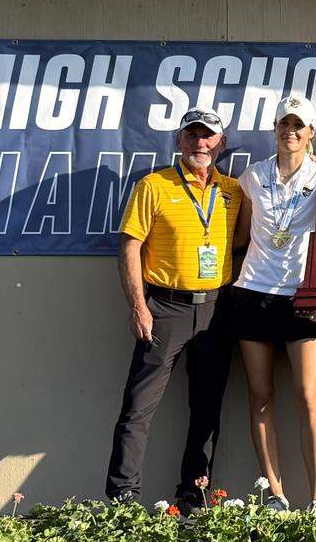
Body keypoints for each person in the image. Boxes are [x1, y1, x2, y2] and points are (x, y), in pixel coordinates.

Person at [105, 107, 242, 513]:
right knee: (139, 407)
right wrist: (137, 306)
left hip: (216, 310)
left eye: (208, 136)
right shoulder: (153, 185)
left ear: (220, 143)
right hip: (164, 307)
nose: (200, 143)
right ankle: (123, 500)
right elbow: (129, 245)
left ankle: (193, 495)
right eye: (192, 135)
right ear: (180, 141)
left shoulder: (233, 190)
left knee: (206, 409)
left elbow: (250, 240)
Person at [228, 95, 316, 513]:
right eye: (283, 124)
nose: (290, 131)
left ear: (311, 133)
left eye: (299, 125)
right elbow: (241, 237)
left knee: (309, 398)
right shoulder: (252, 176)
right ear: (275, 128)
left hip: (301, 299)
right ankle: (275, 494)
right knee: (259, 397)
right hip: (253, 293)